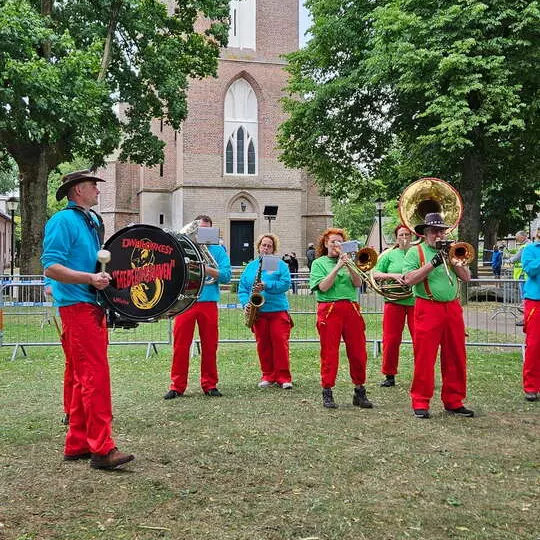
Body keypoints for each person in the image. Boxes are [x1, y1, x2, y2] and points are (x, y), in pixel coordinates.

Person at [41, 169, 134, 470]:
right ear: (78, 190)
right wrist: (90, 278)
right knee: (95, 377)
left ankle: (78, 442)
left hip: (90, 304)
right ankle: (102, 448)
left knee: (84, 377)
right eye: (93, 185)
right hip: (77, 306)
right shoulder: (62, 221)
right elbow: (51, 267)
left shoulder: (91, 221)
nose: (97, 189)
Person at [402, 212, 474, 419]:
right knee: (425, 356)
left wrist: (455, 259)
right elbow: (409, 279)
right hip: (428, 307)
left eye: (442, 231)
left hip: (452, 308)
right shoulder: (415, 252)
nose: (439, 235)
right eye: (434, 231)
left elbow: (466, 278)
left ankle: (454, 400)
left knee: (456, 355)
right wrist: (433, 262)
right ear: (425, 234)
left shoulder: (452, 251)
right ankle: (420, 401)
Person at [164, 215, 231, 399]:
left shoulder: (218, 250)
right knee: (180, 346)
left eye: (206, 230)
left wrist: (205, 269)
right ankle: (177, 386)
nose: (202, 234)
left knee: (210, 346)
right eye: (198, 230)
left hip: (208, 302)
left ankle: (209, 384)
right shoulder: (185, 249)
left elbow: (226, 276)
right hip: (186, 302)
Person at [309, 228, 373, 409]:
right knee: (330, 353)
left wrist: (350, 266)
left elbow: (358, 284)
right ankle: (327, 390)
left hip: (351, 308)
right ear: (326, 244)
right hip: (329, 308)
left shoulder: (349, 262)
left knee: (358, 352)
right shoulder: (319, 263)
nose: (337, 245)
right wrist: (337, 266)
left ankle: (359, 390)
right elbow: (323, 287)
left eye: (340, 242)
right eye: (333, 242)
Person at [238, 234, 293, 389]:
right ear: (259, 247)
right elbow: (242, 289)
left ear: (273, 249)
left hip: (277, 310)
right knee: (263, 344)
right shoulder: (251, 266)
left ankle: (283, 377)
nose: (266, 248)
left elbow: (285, 284)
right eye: (264, 245)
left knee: (280, 343)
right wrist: (245, 304)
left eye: (269, 246)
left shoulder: (280, 265)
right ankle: (268, 375)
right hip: (258, 312)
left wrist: (266, 286)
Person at [372, 224, 415, 388]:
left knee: (421, 340)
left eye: (407, 235)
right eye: (401, 235)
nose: (404, 238)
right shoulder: (389, 255)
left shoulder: (416, 253)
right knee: (391, 340)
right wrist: (394, 275)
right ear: (396, 238)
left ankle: (423, 373)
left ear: (412, 237)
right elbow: (375, 274)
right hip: (393, 302)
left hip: (415, 302)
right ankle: (389, 375)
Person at [519, 229, 540, 402]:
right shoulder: (530, 250)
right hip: (535, 302)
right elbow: (530, 270)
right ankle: (531, 387)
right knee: (534, 346)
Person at [509, 230, 531, 325]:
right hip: (527, 275)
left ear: (522, 237)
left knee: (525, 298)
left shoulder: (524, 247)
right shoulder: (530, 245)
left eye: (517, 237)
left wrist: (510, 259)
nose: (516, 239)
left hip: (523, 275)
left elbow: (515, 259)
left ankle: (525, 319)